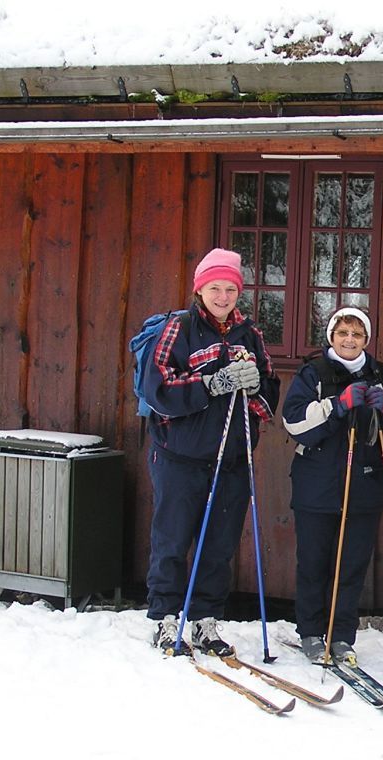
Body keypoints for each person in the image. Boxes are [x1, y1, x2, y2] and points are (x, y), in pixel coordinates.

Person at [142, 247, 281, 656]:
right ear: (199, 289)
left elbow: (270, 391)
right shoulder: (179, 329)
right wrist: (210, 385)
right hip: (180, 457)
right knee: (172, 538)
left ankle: (205, 619)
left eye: (230, 289)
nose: (223, 296)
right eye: (214, 288)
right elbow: (158, 389)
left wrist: (255, 385)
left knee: (219, 543)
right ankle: (166, 618)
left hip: (233, 459)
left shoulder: (249, 335)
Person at [281, 307, 383, 665]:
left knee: (351, 566)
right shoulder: (314, 373)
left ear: (366, 340)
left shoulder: (380, 374)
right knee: (313, 563)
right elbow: (294, 422)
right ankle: (310, 632)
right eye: (343, 333)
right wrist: (336, 406)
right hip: (317, 487)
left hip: (363, 487)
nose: (349, 340)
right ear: (331, 337)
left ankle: (341, 636)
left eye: (357, 334)